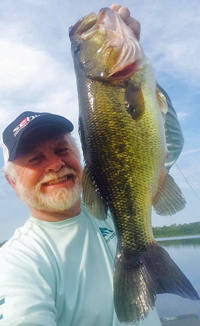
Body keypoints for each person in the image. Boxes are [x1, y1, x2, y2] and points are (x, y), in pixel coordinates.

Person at [0, 4, 184, 326]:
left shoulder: (111, 205)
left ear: (79, 154)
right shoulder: (20, 263)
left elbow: (169, 142)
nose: (55, 164)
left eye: (61, 149)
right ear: (12, 182)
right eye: (35, 159)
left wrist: (138, 66)